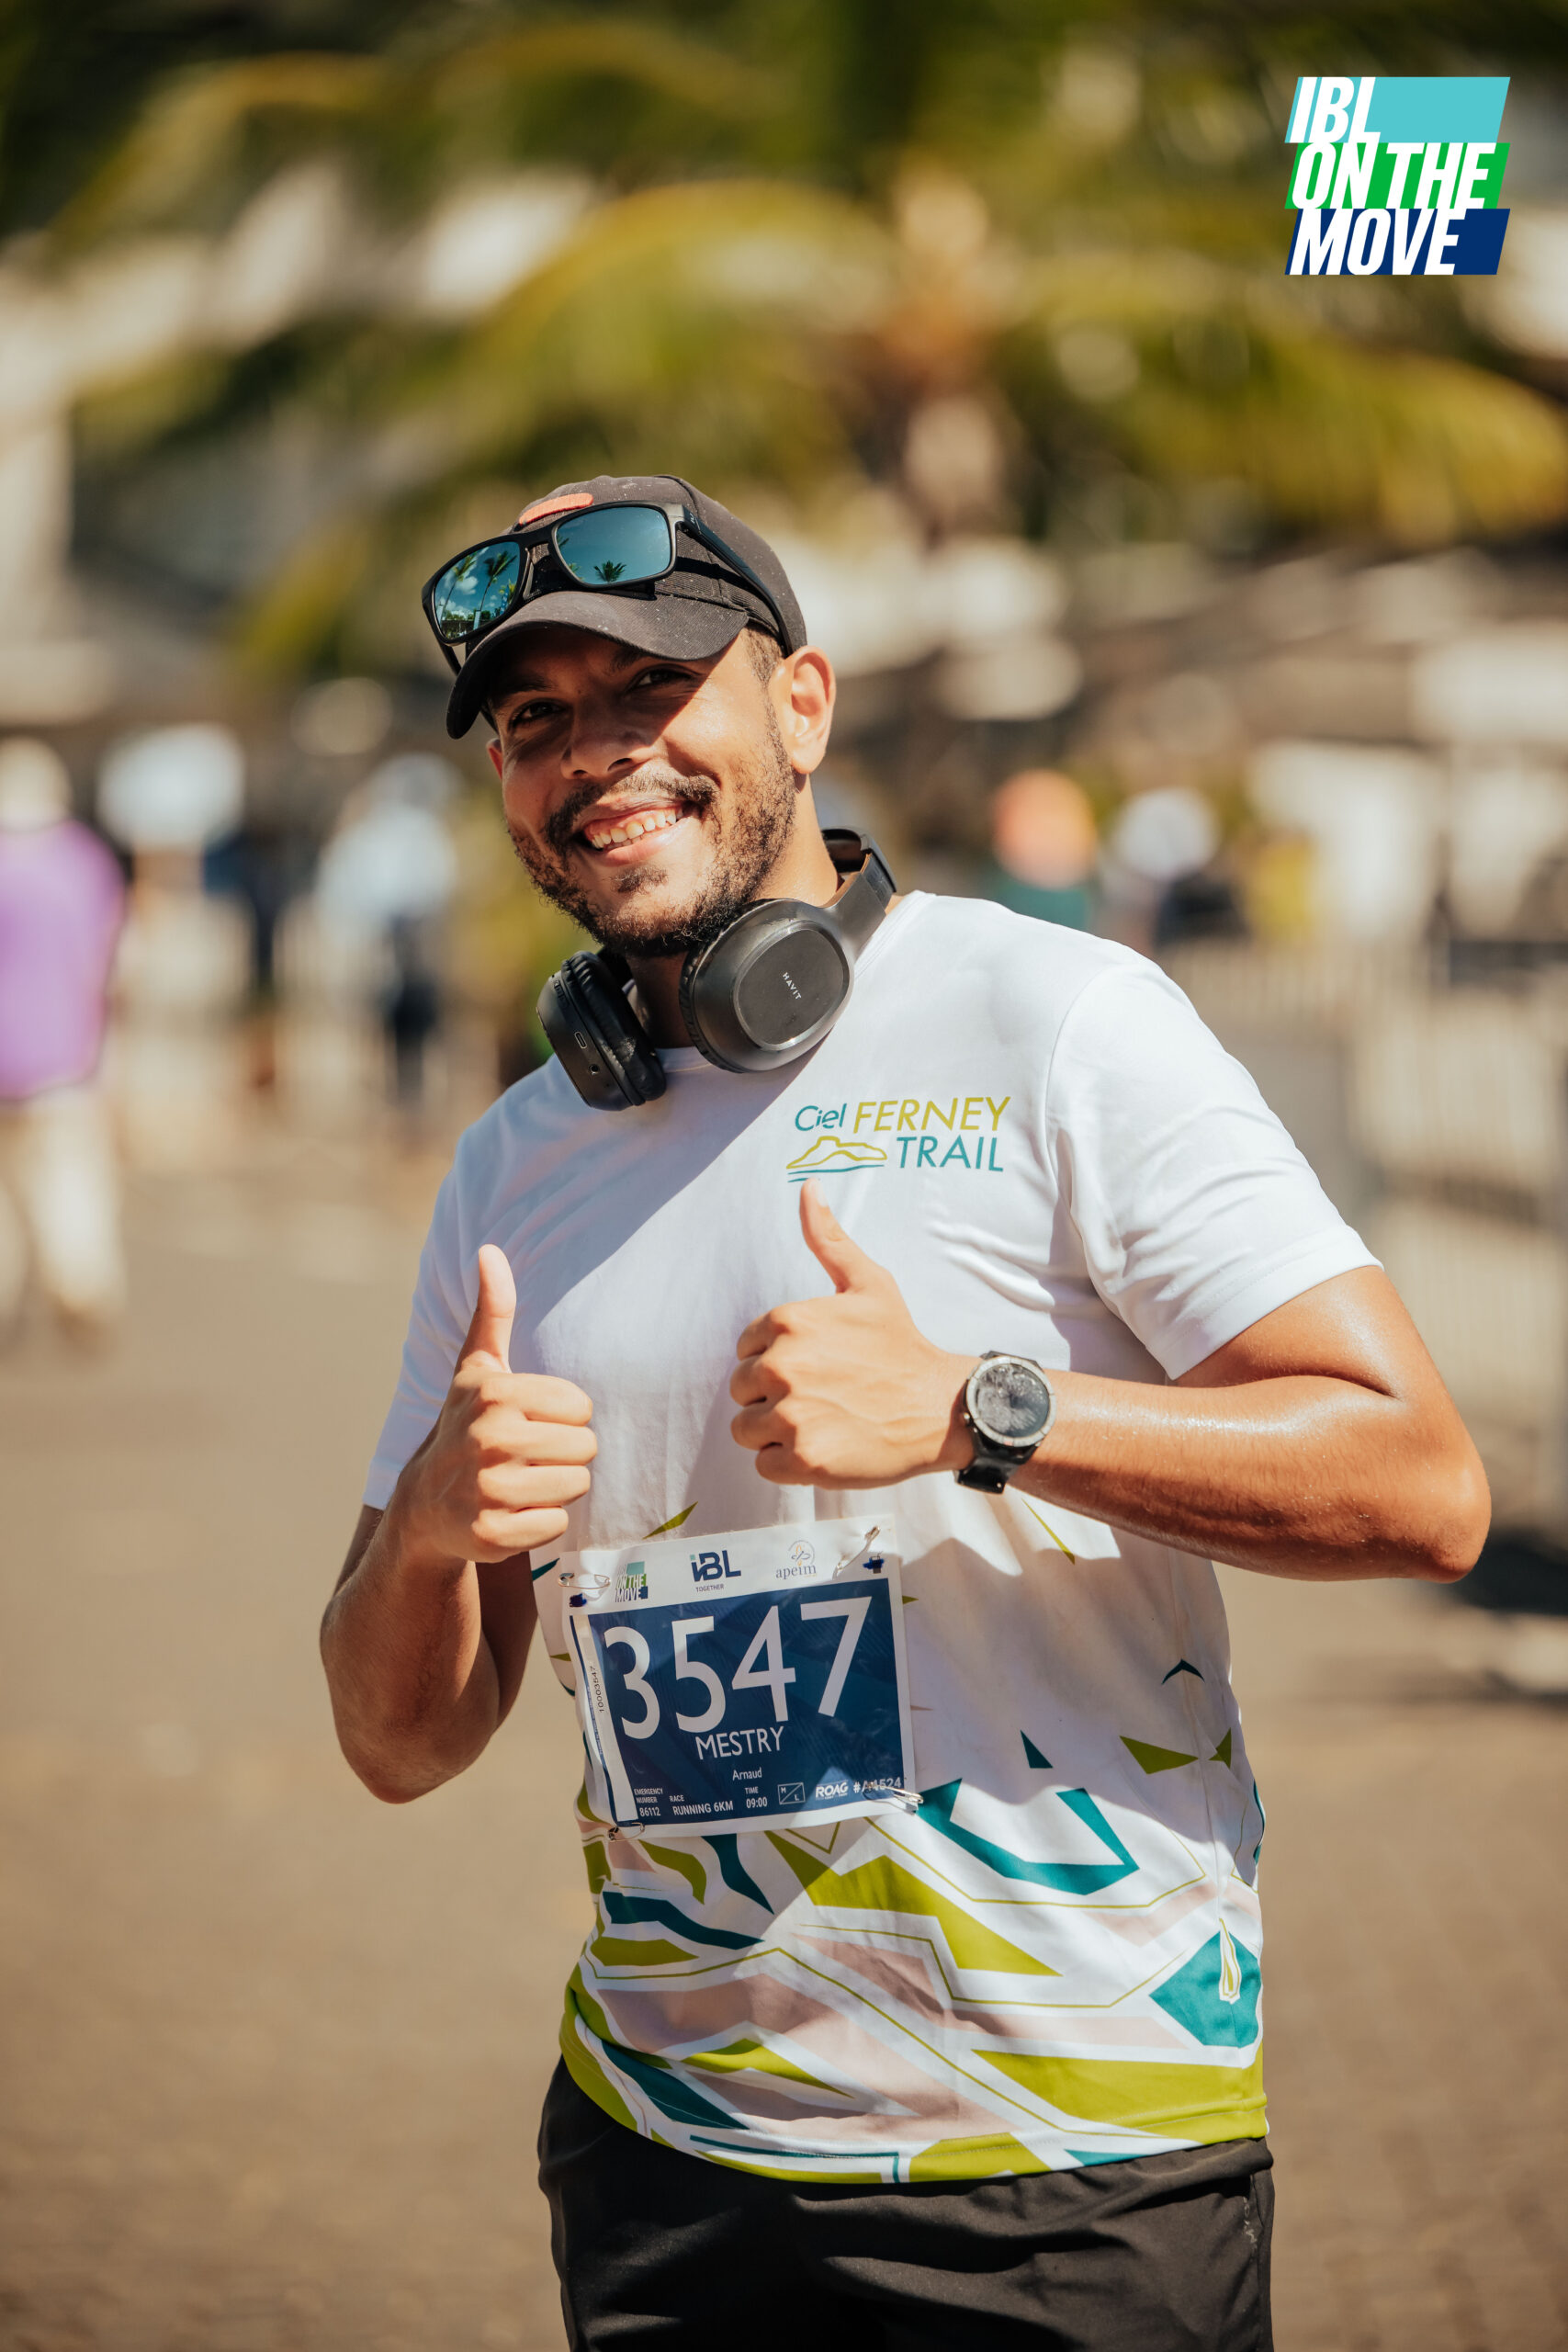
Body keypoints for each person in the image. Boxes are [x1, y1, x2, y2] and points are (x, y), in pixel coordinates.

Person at [321, 475, 1488, 2350]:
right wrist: (437, 1533)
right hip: (662, 2155)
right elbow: (394, 1741)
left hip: (1069, 2147)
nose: (594, 755)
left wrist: (978, 1410)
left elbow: (1419, 1482)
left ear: (800, 704)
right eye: (535, 720)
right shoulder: (514, 1162)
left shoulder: (1057, 1020)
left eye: (648, 688)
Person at [0, 737, 127, 1339]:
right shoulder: (84, 861)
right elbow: (112, 960)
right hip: (66, 1053)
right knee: (68, 1174)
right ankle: (78, 1282)